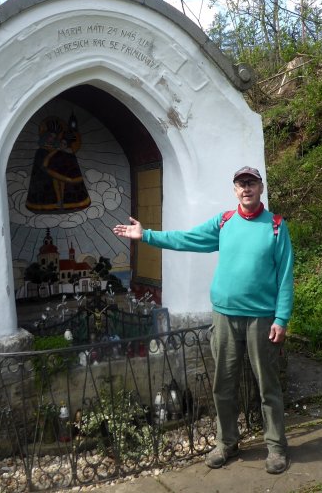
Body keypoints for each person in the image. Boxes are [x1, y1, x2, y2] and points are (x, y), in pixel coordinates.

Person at [112, 166, 294, 474]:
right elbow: (187, 239)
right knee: (223, 384)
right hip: (224, 317)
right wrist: (146, 235)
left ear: (261, 188)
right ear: (235, 189)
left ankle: (276, 447)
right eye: (240, 184)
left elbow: (285, 276)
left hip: (261, 319)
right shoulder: (224, 222)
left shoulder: (276, 226)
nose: (246, 188)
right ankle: (227, 442)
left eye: (252, 183)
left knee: (268, 386)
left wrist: (281, 317)